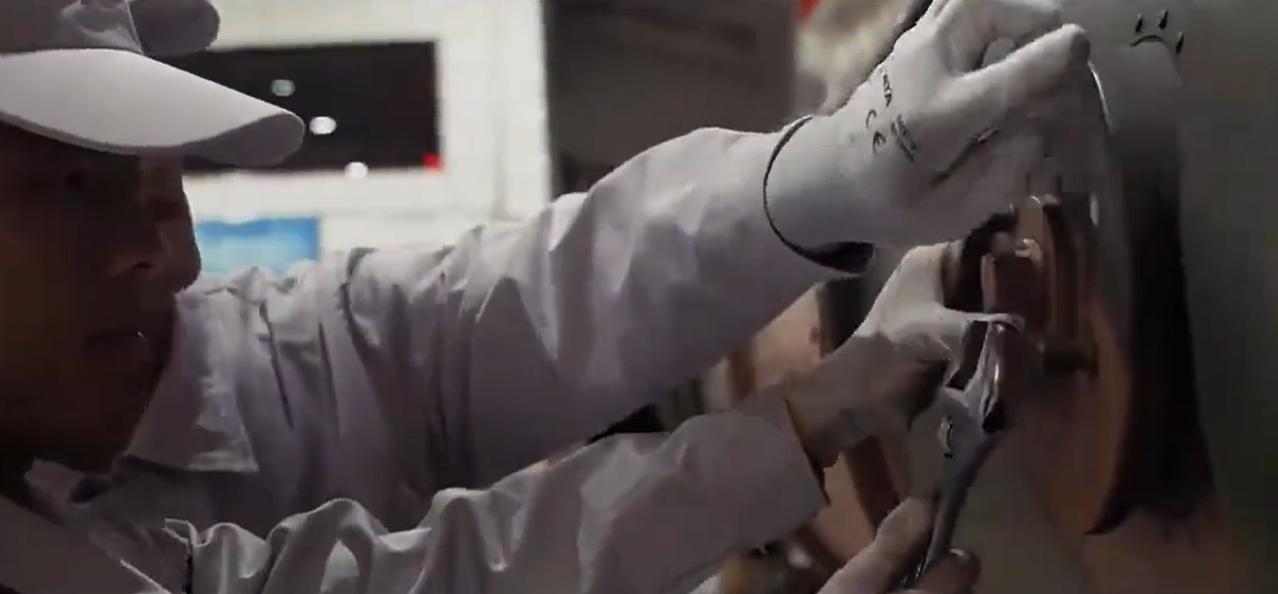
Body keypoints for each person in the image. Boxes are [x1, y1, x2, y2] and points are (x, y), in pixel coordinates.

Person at [0, 0, 1090, 591]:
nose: (170, 261)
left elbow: (451, 336)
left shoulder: (178, 360)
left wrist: (823, 180)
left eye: (163, 186)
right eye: (72, 189)